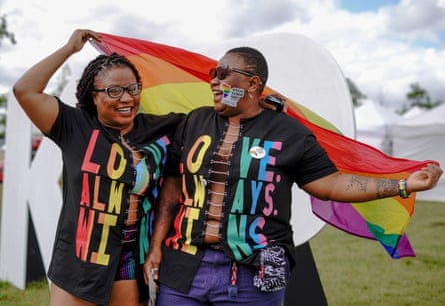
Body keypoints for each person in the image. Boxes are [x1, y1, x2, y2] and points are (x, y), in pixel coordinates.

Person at [144, 46, 443, 305]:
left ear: (252, 83)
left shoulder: (289, 133)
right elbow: (172, 187)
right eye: (213, 72)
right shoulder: (195, 121)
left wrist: (403, 185)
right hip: (184, 268)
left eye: (223, 73)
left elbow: (331, 183)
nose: (214, 80)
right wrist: (156, 245)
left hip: (255, 270)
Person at [13, 29, 184, 306]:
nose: (126, 98)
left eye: (132, 88)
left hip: (129, 256)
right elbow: (25, 90)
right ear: (93, 96)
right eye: (113, 91)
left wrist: (257, 108)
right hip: (80, 257)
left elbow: (213, 117)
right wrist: (69, 49)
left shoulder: (160, 127)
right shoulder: (73, 126)